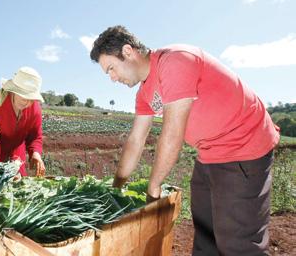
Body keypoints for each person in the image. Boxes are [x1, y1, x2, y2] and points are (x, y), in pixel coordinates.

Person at [90, 25, 279, 255]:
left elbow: (172, 133)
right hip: (209, 152)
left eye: (111, 68)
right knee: (206, 241)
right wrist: (116, 187)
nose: (112, 78)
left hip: (245, 146)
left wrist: (153, 187)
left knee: (238, 244)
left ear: (128, 51)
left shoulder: (175, 61)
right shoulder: (144, 93)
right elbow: (135, 140)